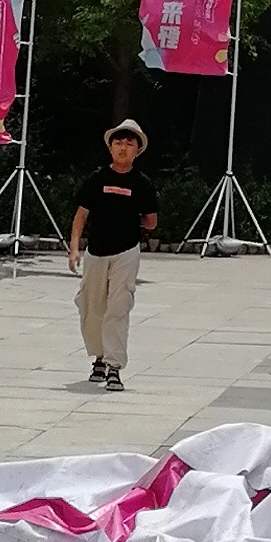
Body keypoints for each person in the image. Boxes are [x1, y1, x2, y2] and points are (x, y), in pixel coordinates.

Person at [69, 119, 157, 391]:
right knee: (92, 306)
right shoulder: (97, 179)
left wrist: (127, 218)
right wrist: (74, 248)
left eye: (129, 143)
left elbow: (151, 221)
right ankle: (98, 357)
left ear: (137, 151)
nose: (123, 147)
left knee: (118, 308)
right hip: (96, 252)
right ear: (110, 147)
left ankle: (114, 367)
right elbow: (81, 215)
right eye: (118, 142)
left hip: (126, 252)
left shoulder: (143, 184)